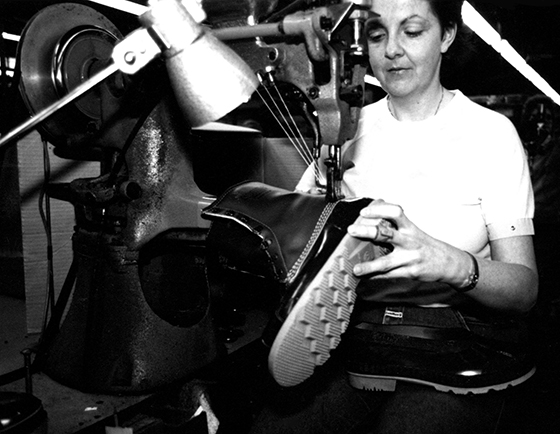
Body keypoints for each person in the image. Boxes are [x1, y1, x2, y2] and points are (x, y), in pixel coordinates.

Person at [248, 0, 538, 432]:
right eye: (378, 34)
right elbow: (301, 246)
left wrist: (450, 263)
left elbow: (524, 288)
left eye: (413, 31)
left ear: (446, 35)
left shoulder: (490, 135)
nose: (392, 50)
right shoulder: (343, 130)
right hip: (353, 329)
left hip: (454, 335)